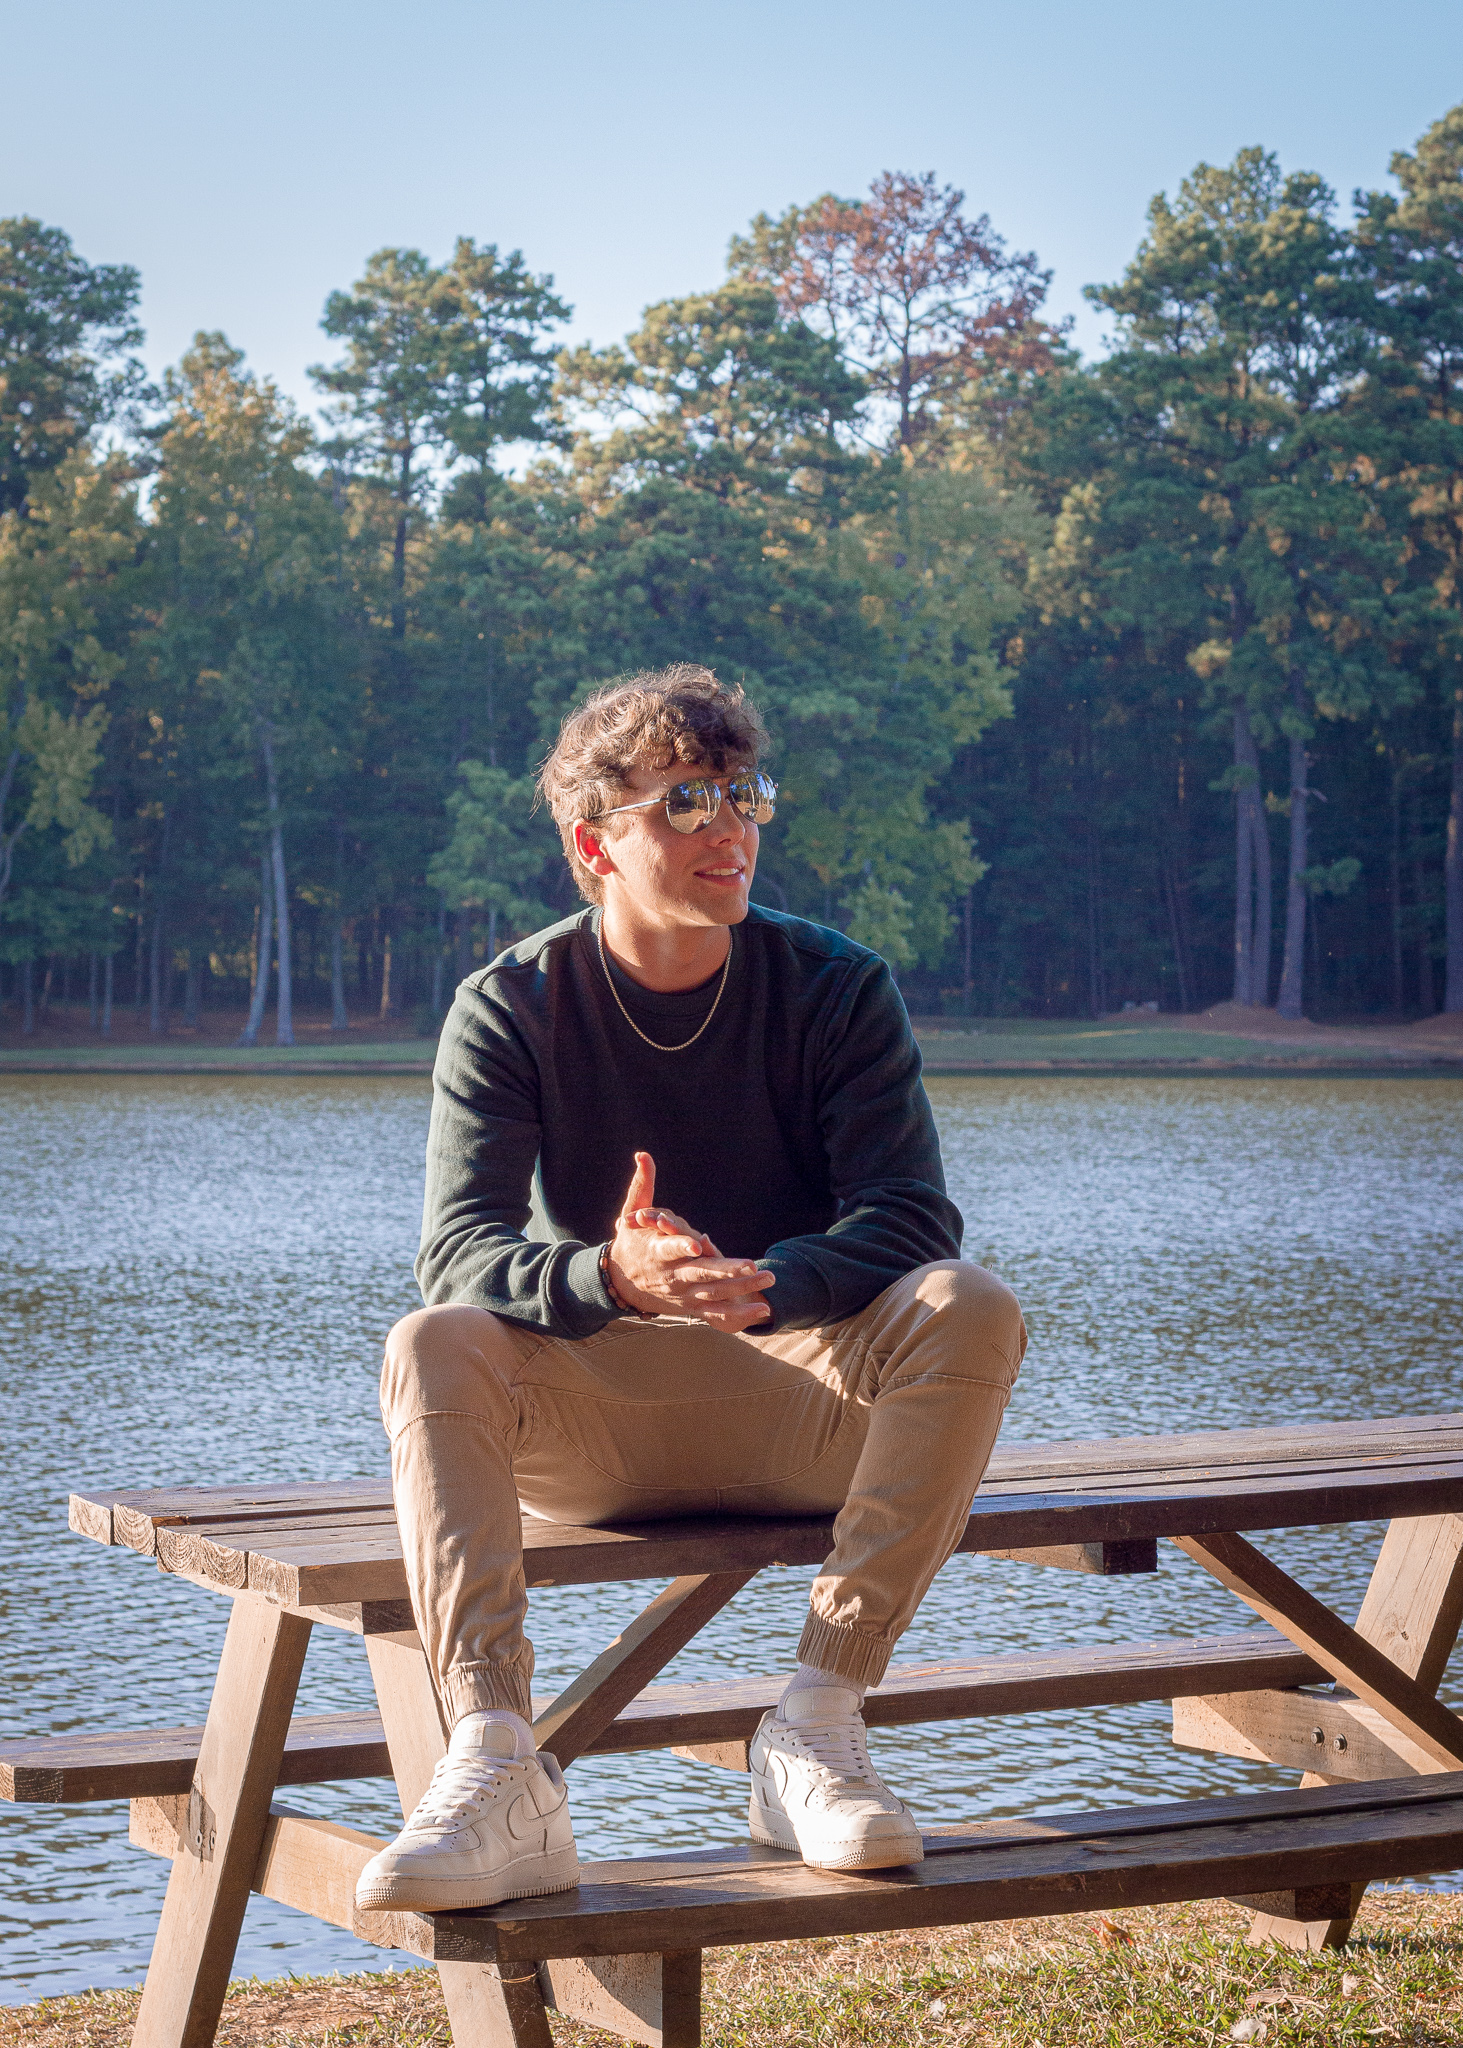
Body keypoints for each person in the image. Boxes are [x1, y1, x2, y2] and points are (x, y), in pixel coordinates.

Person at [354, 664, 1026, 1915]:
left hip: (809, 1416)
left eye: (743, 793)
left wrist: (769, 1281)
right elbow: (458, 1253)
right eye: (686, 801)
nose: (730, 826)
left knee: (966, 1301)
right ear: (593, 844)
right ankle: (496, 1764)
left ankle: (815, 1723)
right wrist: (608, 1275)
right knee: (431, 1337)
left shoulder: (835, 986)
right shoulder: (509, 1004)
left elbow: (910, 1215)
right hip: (595, 1437)